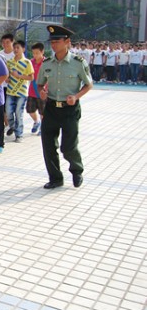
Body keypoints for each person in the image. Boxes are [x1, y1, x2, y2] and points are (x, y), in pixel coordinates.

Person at [37, 25, 93, 190]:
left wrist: (76, 96)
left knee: (68, 146)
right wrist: (41, 92)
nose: (53, 44)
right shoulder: (47, 63)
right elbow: (40, 84)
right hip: (52, 108)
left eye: (57, 41)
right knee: (48, 145)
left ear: (67, 42)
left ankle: (77, 170)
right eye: (52, 41)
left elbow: (89, 84)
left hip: (70, 110)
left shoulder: (78, 63)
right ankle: (55, 178)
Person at [4, 40, 34, 142]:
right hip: (10, 91)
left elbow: (31, 77)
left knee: (18, 113)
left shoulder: (27, 62)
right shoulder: (10, 62)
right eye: (15, 47)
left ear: (23, 49)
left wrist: (19, 76)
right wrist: (7, 79)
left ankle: (19, 134)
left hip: (21, 92)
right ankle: (12, 126)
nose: (16, 50)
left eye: (18, 48)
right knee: (8, 112)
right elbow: (6, 75)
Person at [26, 43, 46, 135]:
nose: (35, 55)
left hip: (42, 91)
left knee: (43, 111)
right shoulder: (30, 62)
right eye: (33, 53)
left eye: (37, 53)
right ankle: (36, 121)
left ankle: (43, 127)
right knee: (30, 109)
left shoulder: (46, 63)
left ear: (42, 52)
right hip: (32, 91)